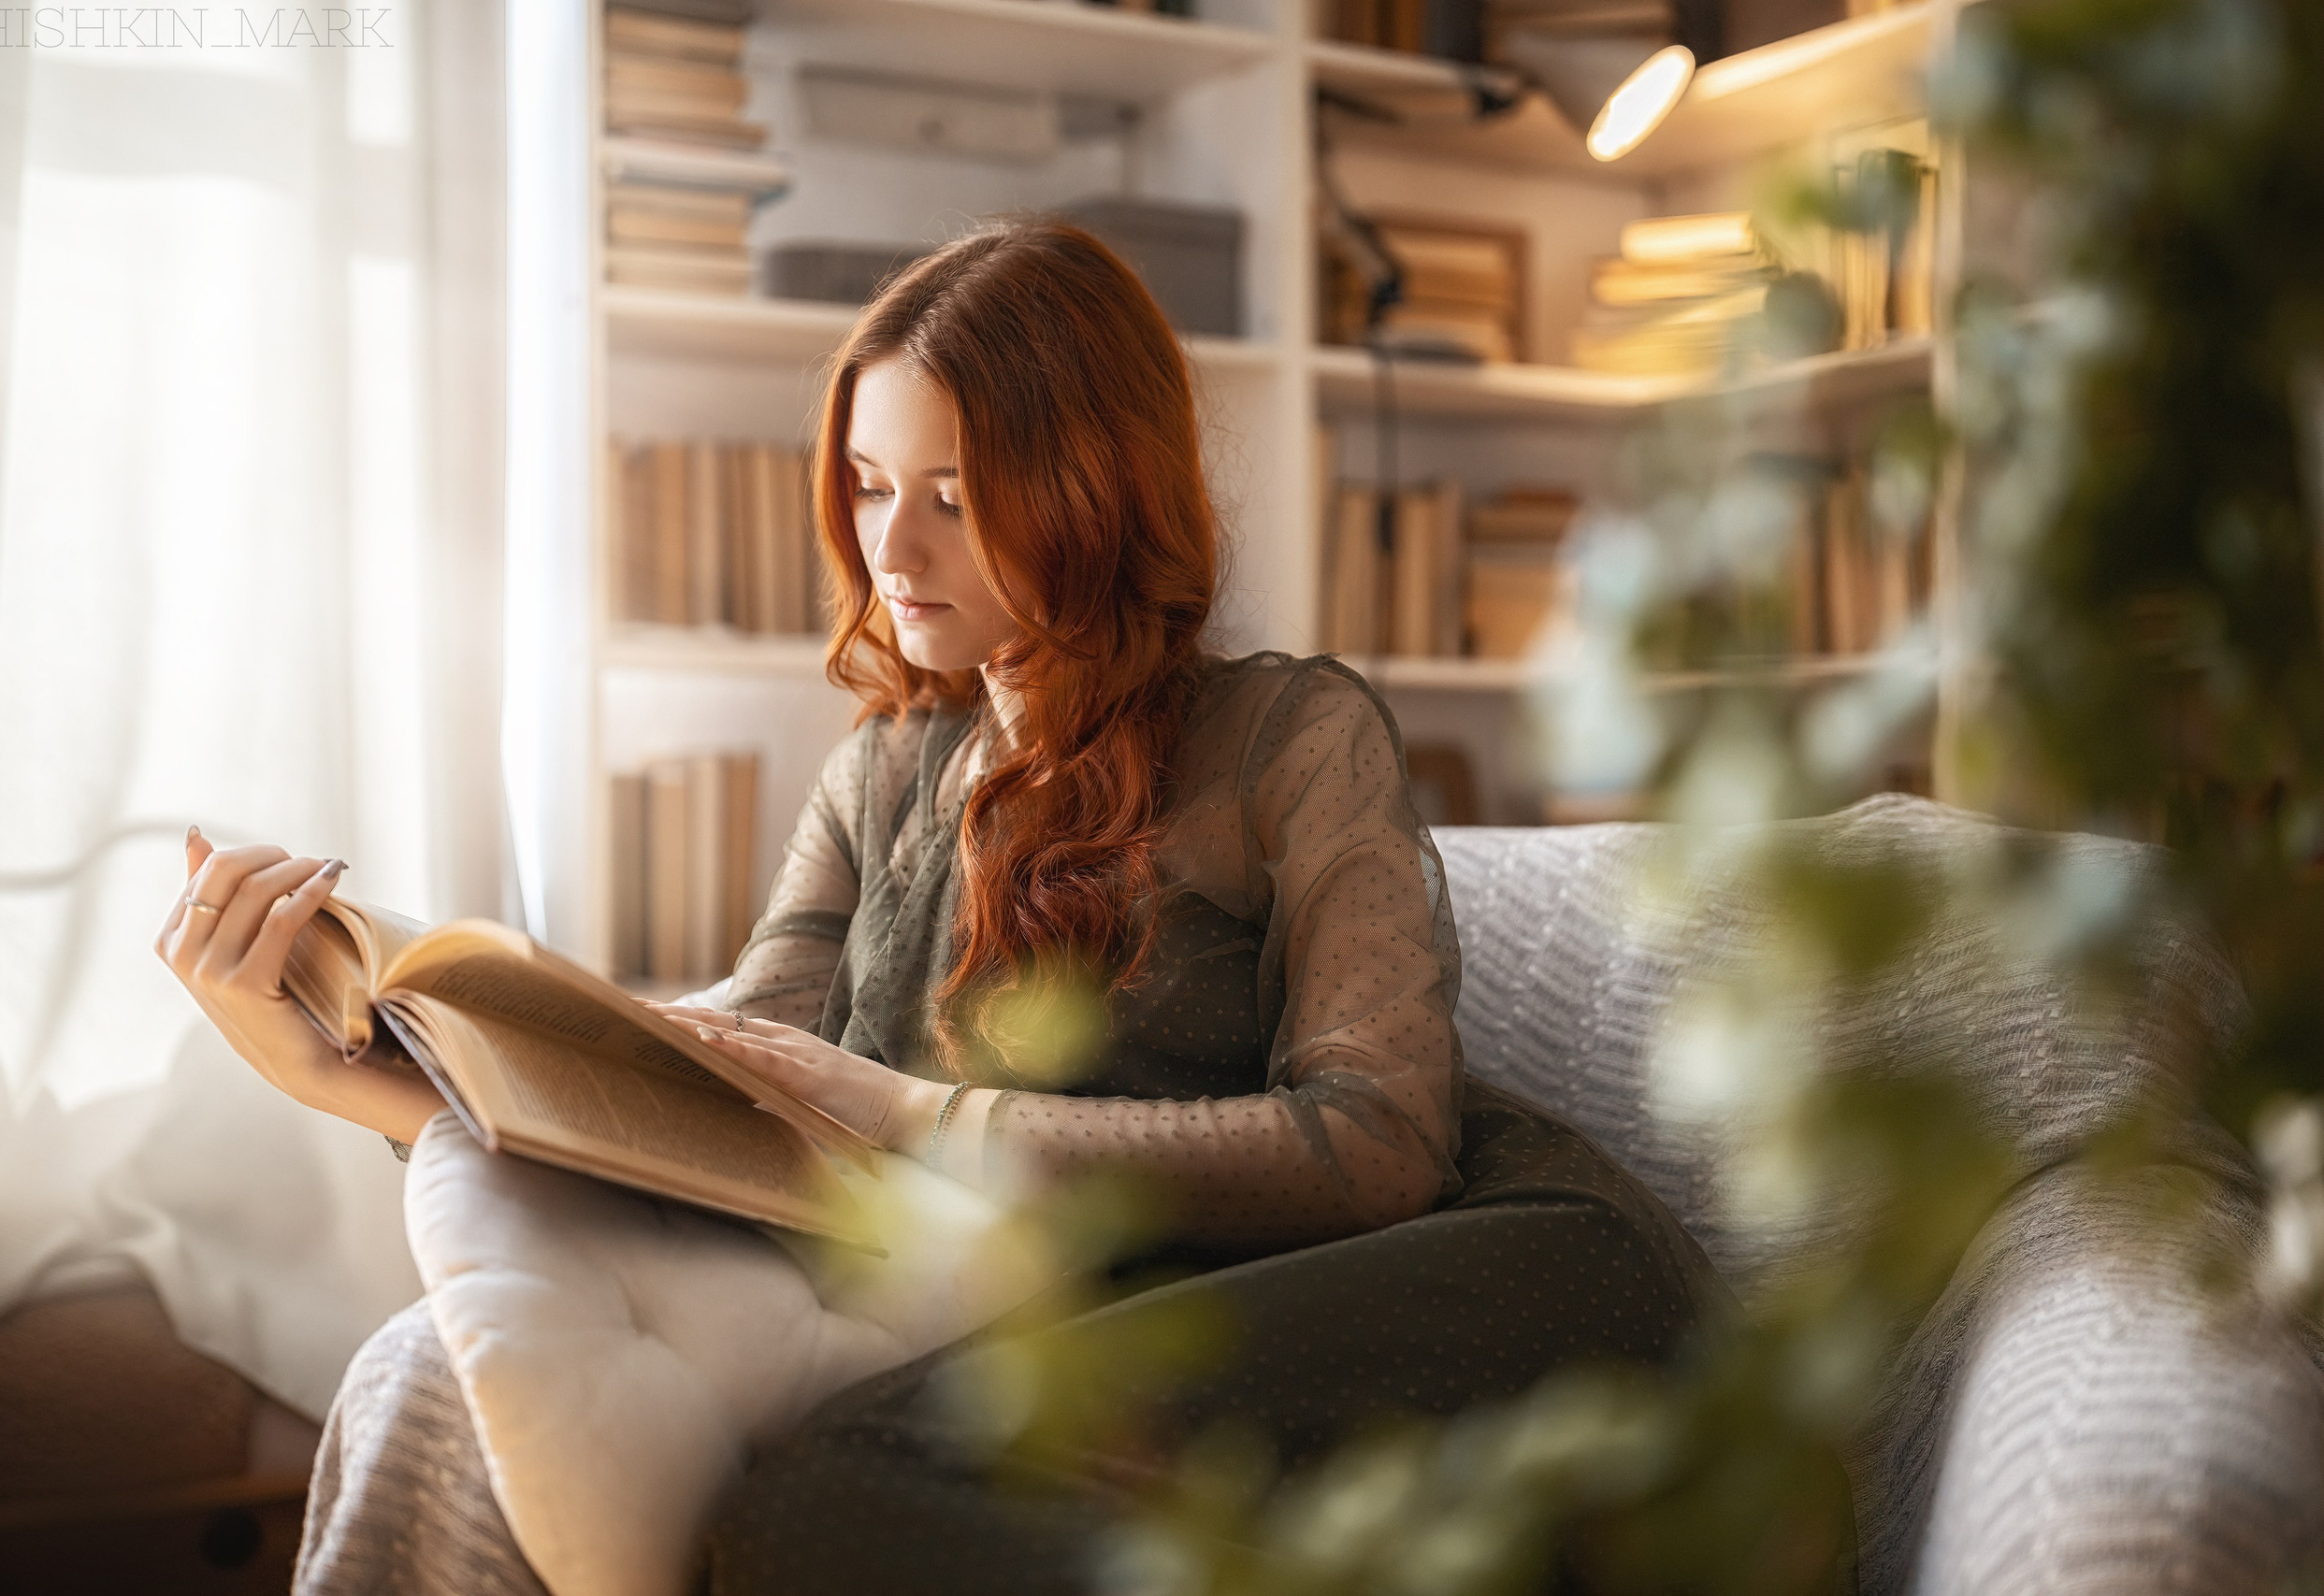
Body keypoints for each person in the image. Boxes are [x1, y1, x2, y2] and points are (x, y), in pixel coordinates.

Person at [156, 218, 1722, 1596]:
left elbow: (1378, 1145)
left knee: (841, 1495)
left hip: (1417, 1269)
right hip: (1026, 1308)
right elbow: (704, 1104)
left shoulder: (1296, 737)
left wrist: (916, 1121)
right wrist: (334, 1065)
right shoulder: (889, 767)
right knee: (416, 1373)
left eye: (957, 498)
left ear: (1099, 493)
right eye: (869, 485)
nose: (890, 550)